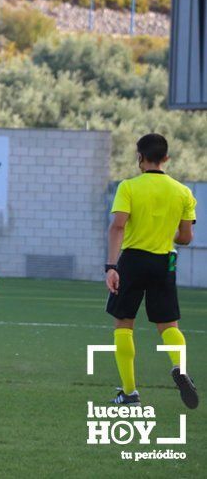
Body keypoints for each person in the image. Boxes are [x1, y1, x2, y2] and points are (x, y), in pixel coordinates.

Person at [105, 133, 198, 409]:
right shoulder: (183, 192)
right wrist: (163, 231)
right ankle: (179, 366)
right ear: (166, 158)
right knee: (168, 325)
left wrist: (111, 266)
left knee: (124, 324)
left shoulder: (129, 187)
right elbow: (186, 237)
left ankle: (130, 393)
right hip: (164, 261)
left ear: (140, 157)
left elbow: (118, 226)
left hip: (133, 260)